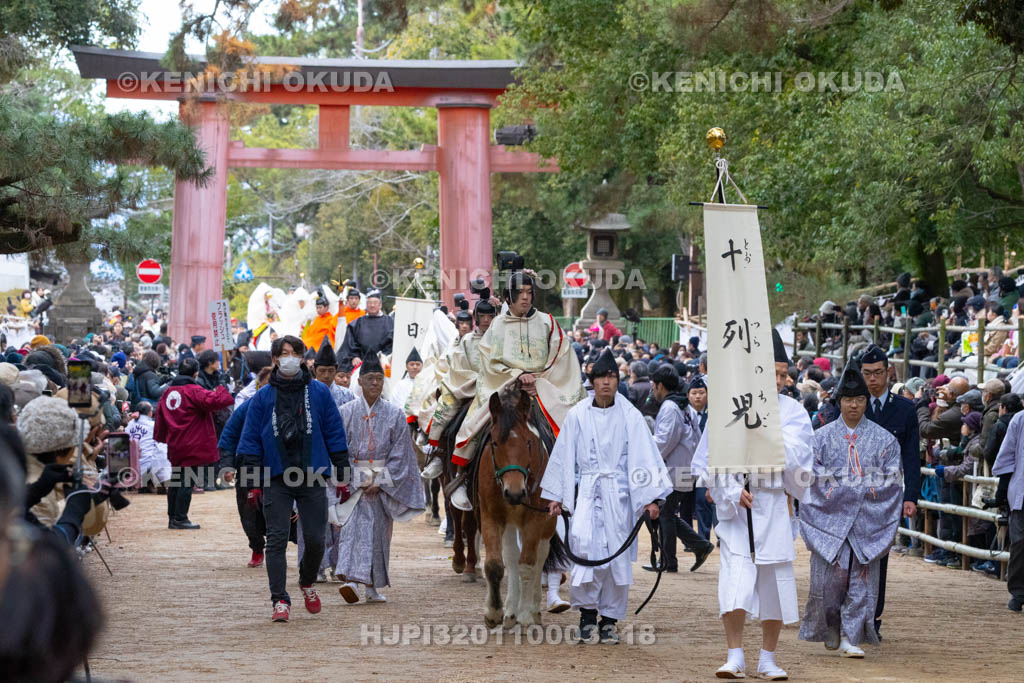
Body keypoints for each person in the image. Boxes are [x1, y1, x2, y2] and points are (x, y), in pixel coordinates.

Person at [692, 330, 814, 680]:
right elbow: (707, 461)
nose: (779, 380)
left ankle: (767, 658)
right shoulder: (728, 408)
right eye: (773, 373)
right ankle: (735, 655)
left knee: (773, 584)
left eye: (784, 374)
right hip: (738, 510)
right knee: (736, 581)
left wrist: (764, 429)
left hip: (773, 503)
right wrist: (731, 490)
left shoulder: (793, 412)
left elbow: (800, 462)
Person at [541, 349, 671, 644]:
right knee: (585, 551)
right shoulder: (577, 415)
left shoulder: (630, 416)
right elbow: (564, 456)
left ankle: (610, 620)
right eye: (601, 377)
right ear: (593, 381)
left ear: (618, 381)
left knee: (616, 559)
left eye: (611, 377)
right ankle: (587, 617)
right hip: (587, 495)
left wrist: (650, 499)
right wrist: (557, 495)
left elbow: (643, 457)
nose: (606, 382)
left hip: (619, 497)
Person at [450, 271, 586, 511]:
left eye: (529, 293)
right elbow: (489, 360)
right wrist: (516, 375)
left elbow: (561, 357)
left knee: (569, 429)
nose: (525, 298)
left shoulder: (548, 322)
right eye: (520, 293)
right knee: (474, 424)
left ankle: (573, 483)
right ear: (508, 297)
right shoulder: (497, 325)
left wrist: (539, 380)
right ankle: (463, 476)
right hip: (504, 388)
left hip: (541, 391)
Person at [236, 335, 349, 623]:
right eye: (283, 354)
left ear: (302, 358)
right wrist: (251, 481)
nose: (289, 358)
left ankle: (307, 581)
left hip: (312, 475)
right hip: (276, 477)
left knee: (315, 539)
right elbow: (250, 439)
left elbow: (334, 430)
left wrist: (342, 468)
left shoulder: (319, 393)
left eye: (294, 353)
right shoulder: (262, 397)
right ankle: (279, 600)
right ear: (274, 360)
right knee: (275, 540)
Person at [798, 365, 902, 658]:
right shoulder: (820, 438)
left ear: (867, 402)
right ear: (839, 402)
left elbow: (891, 480)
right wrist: (854, 487)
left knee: (862, 579)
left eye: (859, 400)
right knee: (828, 579)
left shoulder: (885, 440)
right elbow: (812, 476)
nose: (853, 405)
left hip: (868, 520)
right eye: (847, 400)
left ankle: (850, 635)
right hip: (828, 519)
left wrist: (850, 488)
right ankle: (831, 625)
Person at [334, 355, 425, 603]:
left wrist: (381, 480)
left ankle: (372, 587)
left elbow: (402, 453)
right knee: (351, 530)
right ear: (360, 381)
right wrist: (355, 479)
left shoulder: (395, 414)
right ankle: (351, 581)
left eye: (379, 379)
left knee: (379, 534)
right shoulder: (346, 412)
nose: (375, 383)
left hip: (381, 481)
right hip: (354, 481)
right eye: (370, 378)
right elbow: (339, 451)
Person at [858, 344, 920, 636]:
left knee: (879, 557)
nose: (872, 379)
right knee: (851, 556)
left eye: (878, 372)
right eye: (867, 373)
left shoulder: (905, 410)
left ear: (888, 372)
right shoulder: (852, 405)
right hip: (854, 494)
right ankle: (851, 615)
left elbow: (911, 456)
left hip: (887, 497)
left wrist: (911, 496)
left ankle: (873, 617)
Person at [642, 364, 714, 573]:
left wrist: (645, 450)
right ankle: (698, 546)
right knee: (668, 513)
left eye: (654, 385)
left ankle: (670, 560)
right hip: (684, 467)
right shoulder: (684, 405)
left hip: (674, 469)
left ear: (660, 385)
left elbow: (664, 441)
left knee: (665, 513)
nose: (653, 389)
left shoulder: (670, 407)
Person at [153, 358, 234, 530]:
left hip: (175, 442)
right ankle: (181, 518)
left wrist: (161, 436)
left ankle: (173, 517)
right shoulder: (194, 390)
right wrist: (222, 385)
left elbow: (159, 416)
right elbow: (217, 401)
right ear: (195, 374)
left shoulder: (168, 392)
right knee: (187, 480)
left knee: (176, 479)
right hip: (191, 443)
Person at [218, 366, 273, 569]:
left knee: (277, 510)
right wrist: (227, 466)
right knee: (249, 511)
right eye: (265, 385)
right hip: (248, 467)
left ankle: (276, 547)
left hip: (278, 469)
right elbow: (229, 436)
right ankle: (257, 547)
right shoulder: (247, 407)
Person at [994, 407, 1024, 612]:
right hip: (1021, 492)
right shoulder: (1020, 419)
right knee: (1020, 543)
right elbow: (1007, 455)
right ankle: (1018, 592)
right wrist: (1002, 490)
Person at [337, 290, 394, 368]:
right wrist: (354, 356)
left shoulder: (390, 322)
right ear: (366, 305)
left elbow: (392, 343)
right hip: (361, 363)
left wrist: (384, 357)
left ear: (380, 305)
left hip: (384, 363)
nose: (372, 305)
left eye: (375, 303)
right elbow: (350, 343)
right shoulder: (356, 323)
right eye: (369, 303)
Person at [125, 402, 171, 491]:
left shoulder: (129, 425)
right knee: (163, 447)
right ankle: (163, 484)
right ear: (150, 413)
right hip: (148, 468)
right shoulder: (153, 425)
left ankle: (146, 484)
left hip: (130, 468)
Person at [313, 339, 354, 407]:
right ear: (314, 370)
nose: (326, 375)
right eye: (322, 371)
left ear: (336, 371)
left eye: (330, 371)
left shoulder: (348, 395)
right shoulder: (306, 392)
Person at [388, 347, 423, 414]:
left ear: (422, 366)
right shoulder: (400, 385)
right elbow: (394, 403)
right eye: (412, 364)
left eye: (418, 364)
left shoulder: (426, 384)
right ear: (406, 367)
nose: (415, 367)